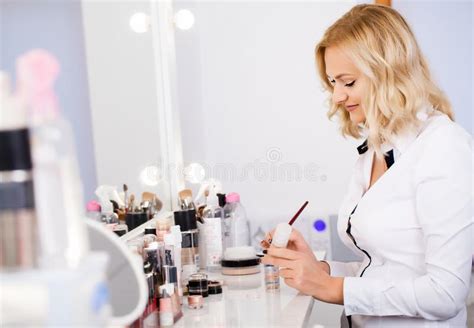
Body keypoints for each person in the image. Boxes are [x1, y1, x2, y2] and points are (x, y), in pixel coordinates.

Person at [261, 4, 472, 327]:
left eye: (347, 82)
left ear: (388, 72)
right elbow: (379, 268)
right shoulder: (374, 150)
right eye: (332, 82)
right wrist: (318, 268)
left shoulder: (443, 147)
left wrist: (333, 288)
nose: (336, 97)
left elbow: (445, 293)